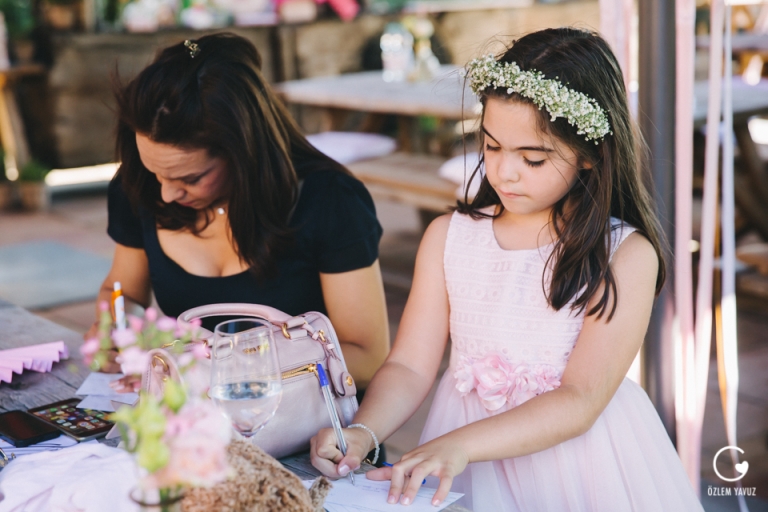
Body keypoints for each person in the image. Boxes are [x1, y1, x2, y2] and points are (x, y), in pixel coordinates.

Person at [310, 28, 703, 511]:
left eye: (532, 158)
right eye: (492, 147)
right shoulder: (448, 238)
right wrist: (361, 432)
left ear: (588, 154)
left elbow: (580, 399)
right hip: (461, 458)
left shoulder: (624, 255)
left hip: (575, 463)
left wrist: (463, 445)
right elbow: (411, 364)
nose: (504, 172)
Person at [86, 33, 390, 392]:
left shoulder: (329, 201)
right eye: (156, 173)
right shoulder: (138, 186)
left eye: (191, 178)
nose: (166, 194)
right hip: (195, 426)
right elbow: (124, 293)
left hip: (313, 426)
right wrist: (119, 329)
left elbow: (367, 357)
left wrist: (223, 373)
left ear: (243, 152)